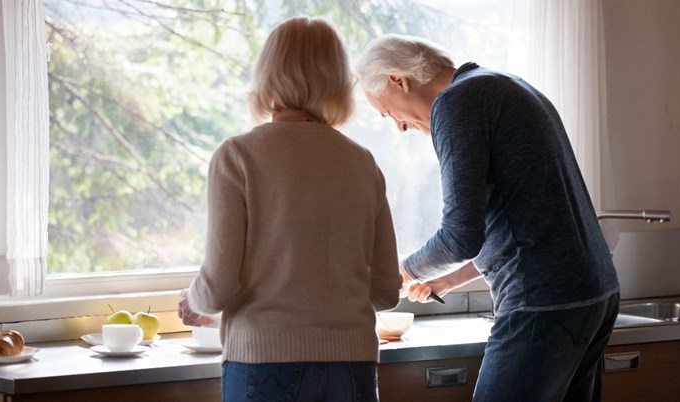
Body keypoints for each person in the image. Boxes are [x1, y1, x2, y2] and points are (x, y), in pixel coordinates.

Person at [354, 34, 620, 402]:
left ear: (398, 80)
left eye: (387, 112)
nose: (398, 126)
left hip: (544, 302)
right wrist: (449, 279)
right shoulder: (502, 85)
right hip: (593, 294)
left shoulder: (456, 104)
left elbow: (460, 235)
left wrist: (399, 272)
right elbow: (522, 223)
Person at [178, 17, 402, 402]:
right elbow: (386, 292)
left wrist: (192, 301)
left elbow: (216, 289)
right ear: (337, 79)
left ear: (267, 74)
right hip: (352, 366)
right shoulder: (362, 163)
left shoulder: (237, 157)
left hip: (263, 364)